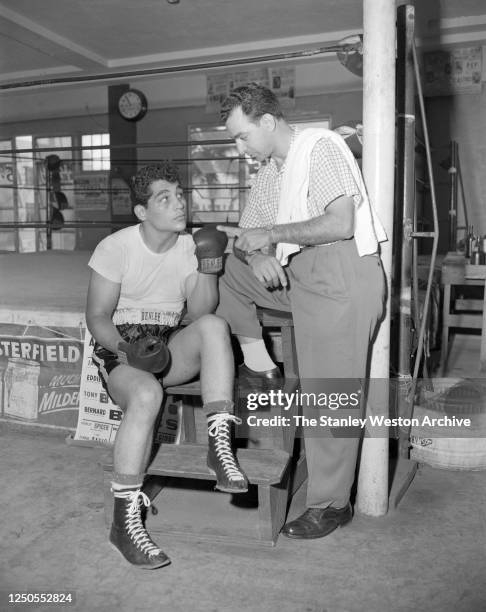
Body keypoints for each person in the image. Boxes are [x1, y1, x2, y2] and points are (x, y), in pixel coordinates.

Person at [216, 83, 387, 539]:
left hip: (342, 274)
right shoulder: (271, 169)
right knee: (227, 272)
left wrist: (271, 234)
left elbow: (340, 223)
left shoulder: (320, 148)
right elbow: (247, 237)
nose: (240, 147)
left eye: (242, 136)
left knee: (329, 395)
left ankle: (332, 505)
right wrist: (258, 255)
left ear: (268, 123)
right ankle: (259, 363)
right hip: (302, 275)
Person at [85, 162, 248, 570]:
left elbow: (198, 310)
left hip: (171, 341)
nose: (179, 204)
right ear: (143, 212)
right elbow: (98, 315)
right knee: (146, 392)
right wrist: (125, 348)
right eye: (165, 199)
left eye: (179, 195)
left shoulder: (191, 246)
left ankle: (220, 446)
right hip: (123, 346)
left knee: (214, 325)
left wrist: (209, 266)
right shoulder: (116, 247)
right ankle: (125, 523)